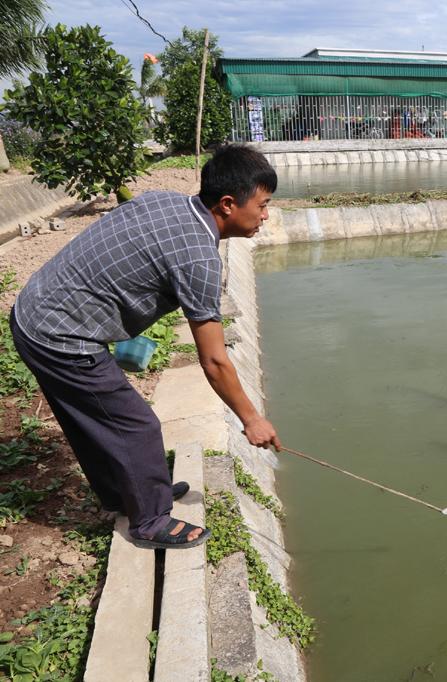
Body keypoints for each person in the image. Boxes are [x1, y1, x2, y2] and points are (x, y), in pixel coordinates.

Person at [9, 144, 282, 550]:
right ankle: (150, 521)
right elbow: (213, 359)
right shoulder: (199, 259)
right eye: (262, 205)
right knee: (136, 426)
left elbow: (124, 254)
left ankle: (125, 495)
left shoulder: (165, 201)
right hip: (59, 336)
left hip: (35, 312)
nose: (265, 215)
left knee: (92, 421)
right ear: (227, 204)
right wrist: (251, 419)